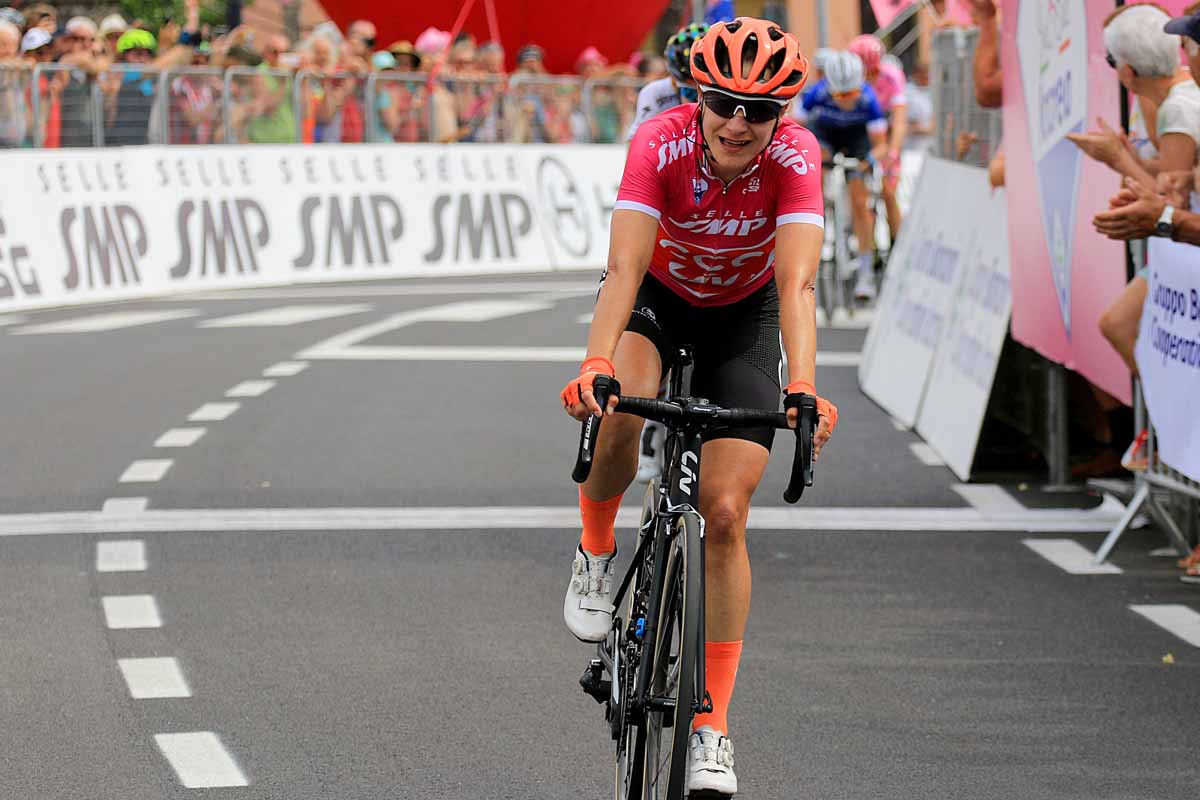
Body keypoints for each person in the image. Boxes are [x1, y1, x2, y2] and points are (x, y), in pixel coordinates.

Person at [561, 18, 837, 797]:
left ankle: (711, 726)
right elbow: (623, 267)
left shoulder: (796, 157)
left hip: (742, 320)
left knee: (725, 510)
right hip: (660, 300)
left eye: (760, 110)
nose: (739, 123)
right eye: (723, 103)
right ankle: (593, 549)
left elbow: (797, 287)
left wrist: (805, 384)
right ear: (698, 97)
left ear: (782, 115)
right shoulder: (660, 141)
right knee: (618, 408)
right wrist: (594, 361)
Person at [1069, 4, 1200, 189]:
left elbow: (1170, 206)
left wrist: (1118, 159)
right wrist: (1136, 161)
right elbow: (1180, 177)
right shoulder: (1183, 92)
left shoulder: (1176, 108)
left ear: (1128, 71)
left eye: (1111, 60)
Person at [794, 50, 888, 301]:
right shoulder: (817, 92)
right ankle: (820, 215)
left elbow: (881, 144)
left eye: (852, 94)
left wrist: (869, 160)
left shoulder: (869, 100)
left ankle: (865, 273)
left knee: (860, 201)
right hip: (825, 135)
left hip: (857, 140)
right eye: (839, 94)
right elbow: (795, 128)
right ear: (829, 87)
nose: (846, 100)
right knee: (816, 168)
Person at [849, 34, 907, 244]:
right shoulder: (851, 79)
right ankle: (867, 247)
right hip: (863, 133)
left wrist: (892, 152)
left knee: (888, 192)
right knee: (860, 199)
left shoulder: (892, 76)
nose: (869, 78)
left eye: (874, 71)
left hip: (888, 131)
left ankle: (896, 244)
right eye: (864, 73)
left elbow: (900, 120)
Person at [626, 22, 708, 144]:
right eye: (689, 91)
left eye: (704, 87)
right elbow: (637, 140)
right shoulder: (654, 92)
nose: (696, 96)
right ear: (672, 76)